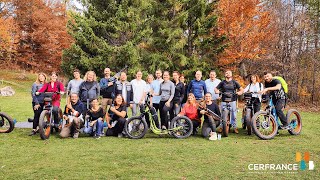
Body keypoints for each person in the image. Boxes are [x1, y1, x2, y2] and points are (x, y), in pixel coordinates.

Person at [215, 70, 243, 134]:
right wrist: (217, 91)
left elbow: (242, 89)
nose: (228, 74)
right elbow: (215, 89)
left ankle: (235, 127)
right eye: (226, 73)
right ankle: (222, 126)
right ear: (225, 75)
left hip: (233, 100)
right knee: (222, 114)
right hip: (223, 100)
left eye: (229, 73)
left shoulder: (234, 82)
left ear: (231, 75)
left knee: (234, 114)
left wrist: (239, 92)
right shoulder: (222, 82)